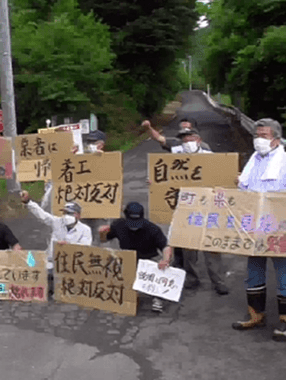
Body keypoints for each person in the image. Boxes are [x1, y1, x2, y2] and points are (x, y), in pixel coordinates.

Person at [233, 118, 286, 342]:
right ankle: (256, 314)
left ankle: (284, 321)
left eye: (263, 136)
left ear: (276, 139)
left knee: (283, 273)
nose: (258, 140)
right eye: (257, 136)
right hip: (254, 227)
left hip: (279, 227)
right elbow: (245, 188)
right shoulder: (254, 159)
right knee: (254, 271)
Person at [162, 128, 229, 295]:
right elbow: (165, 178)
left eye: (189, 138)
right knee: (187, 247)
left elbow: (222, 179)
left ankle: (218, 280)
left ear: (198, 139)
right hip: (187, 206)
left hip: (208, 207)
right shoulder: (175, 158)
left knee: (211, 246)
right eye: (183, 139)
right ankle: (191, 278)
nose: (186, 142)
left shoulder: (210, 157)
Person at [99, 202, 172, 313]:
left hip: (148, 258)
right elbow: (104, 240)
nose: (134, 227)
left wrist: (165, 260)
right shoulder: (118, 225)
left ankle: (158, 297)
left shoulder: (152, 229)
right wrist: (102, 233)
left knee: (160, 270)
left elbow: (165, 246)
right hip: (127, 258)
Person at [21, 192, 92, 268]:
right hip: (52, 262)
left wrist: (68, 245)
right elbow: (42, 215)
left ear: (78, 215)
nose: (66, 215)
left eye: (70, 213)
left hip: (73, 265)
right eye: (65, 212)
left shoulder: (85, 230)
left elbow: (85, 247)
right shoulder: (57, 221)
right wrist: (28, 202)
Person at [142, 117, 210, 152]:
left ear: (198, 139)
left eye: (190, 136)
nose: (187, 139)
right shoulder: (176, 143)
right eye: (184, 136)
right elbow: (158, 138)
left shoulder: (204, 147)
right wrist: (148, 128)